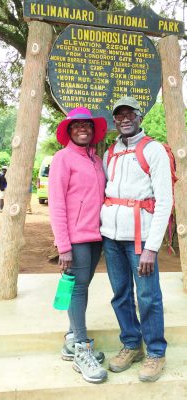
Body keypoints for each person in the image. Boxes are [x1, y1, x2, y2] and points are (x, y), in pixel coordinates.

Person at [100, 96, 173, 382]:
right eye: (120, 115)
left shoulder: (153, 150)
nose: (125, 119)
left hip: (141, 241)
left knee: (148, 296)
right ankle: (132, 344)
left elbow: (164, 201)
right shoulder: (110, 153)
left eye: (131, 114)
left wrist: (152, 248)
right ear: (114, 121)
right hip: (112, 238)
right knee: (120, 295)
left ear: (139, 117)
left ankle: (155, 351)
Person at [48, 107, 108, 384]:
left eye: (87, 125)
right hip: (76, 238)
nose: (83, 129)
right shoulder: (63, 158)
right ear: (69, 131)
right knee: (77, 288)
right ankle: (81, 349)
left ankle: (73, 339)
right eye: (77, 126)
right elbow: (57, 205)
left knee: (80, 286)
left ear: (93, 131)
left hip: (96, 236)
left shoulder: (96, 160)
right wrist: (64, 246)